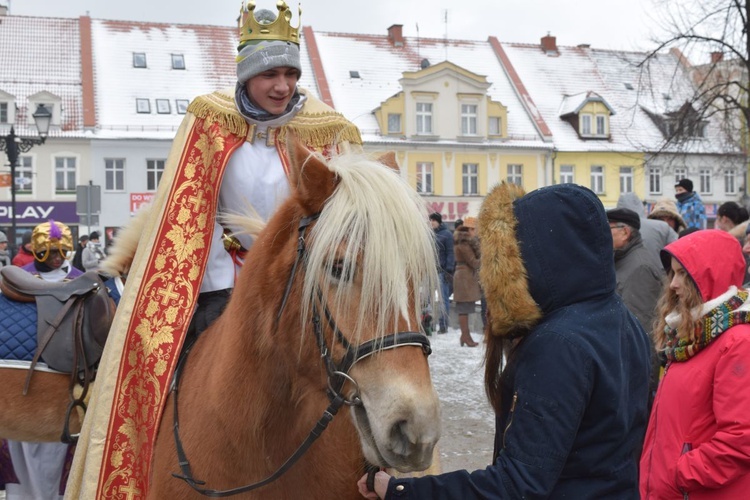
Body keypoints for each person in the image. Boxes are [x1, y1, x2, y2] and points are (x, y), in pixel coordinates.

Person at [64, 2, 363, 496]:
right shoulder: (210, 123)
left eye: (290, 73)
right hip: (223, 284)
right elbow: (185, 213)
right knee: (151, 354)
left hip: (310, 292)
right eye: (270, 74)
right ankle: (154, 459)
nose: (282, 87)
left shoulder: (330, 131)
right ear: (246, 75)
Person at [359, 183, 652, 499]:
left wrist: (403, 491)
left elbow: (517, 485)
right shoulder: (622, 319)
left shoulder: (559, 345)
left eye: (513, 251)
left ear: (544, 252)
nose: (505, 267)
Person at [640, 230, 750, 499]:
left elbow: (741, 438)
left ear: (709, 277)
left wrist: (680, 474)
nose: (673, 285)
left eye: (682, 275)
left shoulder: (736, 341)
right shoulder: (691, 337)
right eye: (672, 274)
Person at [3, 220, 80, 500]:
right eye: (50, 252)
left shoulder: (82, 281)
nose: (57, 257)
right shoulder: (15, 280)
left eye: (61, 251)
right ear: (37, 251)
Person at [607, 207, 665, 332]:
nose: (602, 234)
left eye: (607, 229)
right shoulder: (624, 259)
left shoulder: (640, 268)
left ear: (625, 233)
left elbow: (641, 325)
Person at [617, 193, 676, 258]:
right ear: (641, 206)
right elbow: (677, 251)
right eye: (661, 219)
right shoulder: (663, 226)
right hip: (659, 267)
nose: (666, 221)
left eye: (670, 219)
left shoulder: (613, 229)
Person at [452, 216, 480, 347]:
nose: (475, 232)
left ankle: (466, 336)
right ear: (467, 230)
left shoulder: (463, 243)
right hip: (464, 277)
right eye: (473, 229)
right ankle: (465, 335)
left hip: (464, 276)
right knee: (463, 308)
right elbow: (474, 262)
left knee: (465, 308)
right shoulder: (463, 244)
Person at [429, 212, 455, 334]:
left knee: (443, 299)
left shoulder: (447, 234)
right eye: (430, 220)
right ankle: (429, 324)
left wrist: (449, 270)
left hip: (442, 271)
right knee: (428, 299)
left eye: (434, 220)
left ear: (439, 221)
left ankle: (443, 324)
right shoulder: (430, 234)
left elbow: (451, 252)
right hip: (430, 271)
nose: (431, 222)